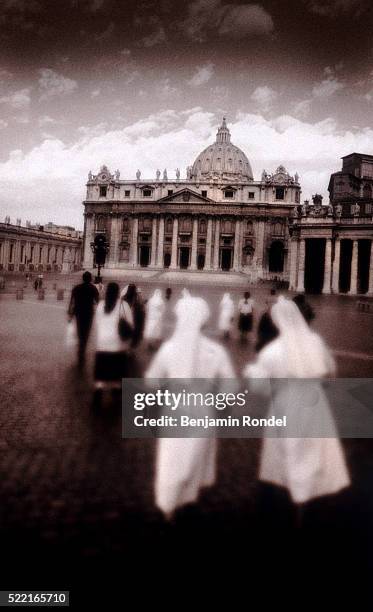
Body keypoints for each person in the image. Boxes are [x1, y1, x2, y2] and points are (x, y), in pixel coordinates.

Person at [243, 296, 350, 520]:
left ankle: (289, 500)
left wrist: (251, 372)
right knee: (312, 453)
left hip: (284, 408)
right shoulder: (315, 342)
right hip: (315, 407)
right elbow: (330, 373)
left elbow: (259, 386)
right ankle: (308, 499)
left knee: (286, 454)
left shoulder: (273, 351)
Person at [146, 295, 235, 519]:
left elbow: (151, 381)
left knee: (171, 459)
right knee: (195, 457)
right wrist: (220, 404)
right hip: (203, 412)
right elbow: (230, 386)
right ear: (204, 321)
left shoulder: (169, 349)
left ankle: (169, 508)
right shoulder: (215, 351)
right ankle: (188, 500)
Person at [93, 282, 139, 407]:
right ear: (118, 292)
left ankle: (98, 392)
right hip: (117, 345)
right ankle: (116, 393)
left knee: (101, 373)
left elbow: (97, 322)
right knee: (117, 373)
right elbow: (131, 325)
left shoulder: (101, 305)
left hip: (102, 344)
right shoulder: (123, 305)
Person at [68, 271, 99, 367]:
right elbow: (97, 300)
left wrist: (70, 313)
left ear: (82, 278)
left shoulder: (76, 288)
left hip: (78, 312)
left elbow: (71, 301)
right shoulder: (93, 288)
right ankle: (82, 347)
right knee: (86, 331)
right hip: (88, 313)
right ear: (90, 279)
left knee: (80, 330)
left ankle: (81, 347)